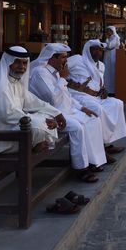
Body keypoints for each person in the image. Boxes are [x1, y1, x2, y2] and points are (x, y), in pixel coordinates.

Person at [29, 43, 107, 182]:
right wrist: (63, 79)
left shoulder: (56, 73)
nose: (66, 61)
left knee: (93, 120)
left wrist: (81, 108)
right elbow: (52, 99)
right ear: (52, 57)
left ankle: (94, 160)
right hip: (51, 114)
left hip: (67, 110)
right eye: (63, 57)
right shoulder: (40, 73)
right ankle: (81, 168)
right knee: (77, 128)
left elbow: (67, 96)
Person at [0, 46, 62, 155]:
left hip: (9, 126)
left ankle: (35, 144)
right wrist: (40, 119)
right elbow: (7, 114)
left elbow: (32, 101)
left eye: (24, 63)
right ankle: (33, 145)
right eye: (17, 62)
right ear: (8, 62)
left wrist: (56, 113)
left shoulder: (13, 81)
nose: (21, 67)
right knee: (39, 124)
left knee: (47, 119)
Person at [67, 39, 126, 158]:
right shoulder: (77, 60)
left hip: (96, 96)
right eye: (94, 49)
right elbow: (60, 70)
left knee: (117, 103)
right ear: (87, 50)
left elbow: (99, 82)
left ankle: (107, 142)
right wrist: (69, 83)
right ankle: (101, 149)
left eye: (100, 50)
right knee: (97, 110)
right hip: (78, 96)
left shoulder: (101, 65)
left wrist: (103, 89)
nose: (97, 52)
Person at [103, 26, 120, 97]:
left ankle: (111, 90)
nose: (107, 32)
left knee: (111, 73)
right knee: (107, 73)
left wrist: (106, 38)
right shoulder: (111, 38)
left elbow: (110, 46)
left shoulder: (115, 38)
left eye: (108, 31)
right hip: (108, 57)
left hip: (111, 57)